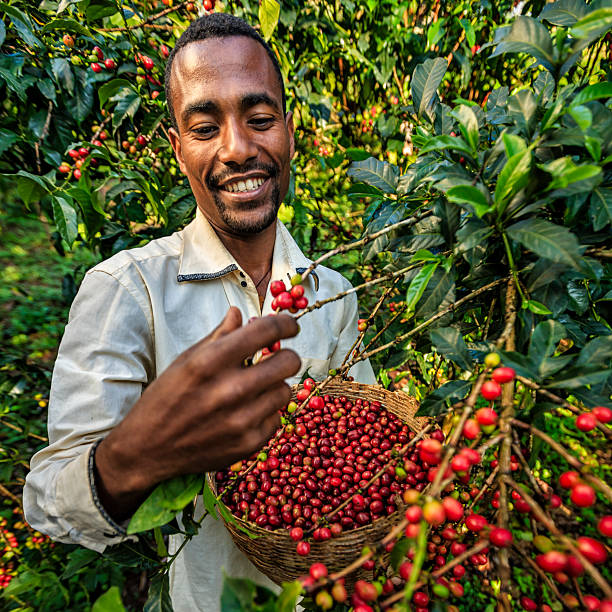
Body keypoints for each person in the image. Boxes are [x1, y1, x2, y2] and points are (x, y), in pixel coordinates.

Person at [23, 13, 376, 611]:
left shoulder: (332, 291)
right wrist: (135, 456)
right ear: (178, 148)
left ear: (289, 131)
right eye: (205, 127)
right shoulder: (128, 288)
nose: (238, 149)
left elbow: (370, 444)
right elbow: (48, 501)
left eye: (260, 120)